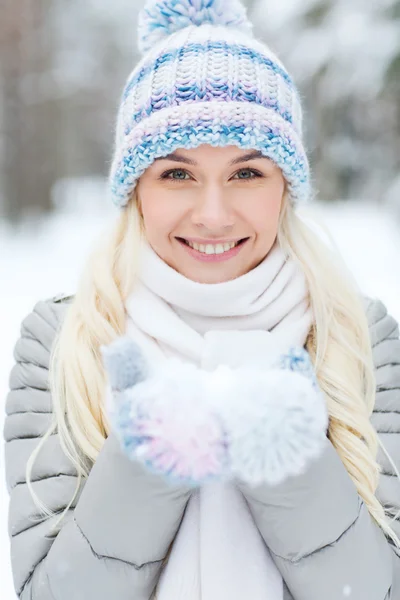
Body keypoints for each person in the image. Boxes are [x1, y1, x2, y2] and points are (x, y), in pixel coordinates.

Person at [3, 0, 400, 598]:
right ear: (135, 188)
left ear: (286, 187)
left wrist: (290, 465)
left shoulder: (359, 338)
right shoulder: (64, 340)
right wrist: (147, 459)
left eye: (247, 174)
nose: (213, 215)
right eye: (177, 174)